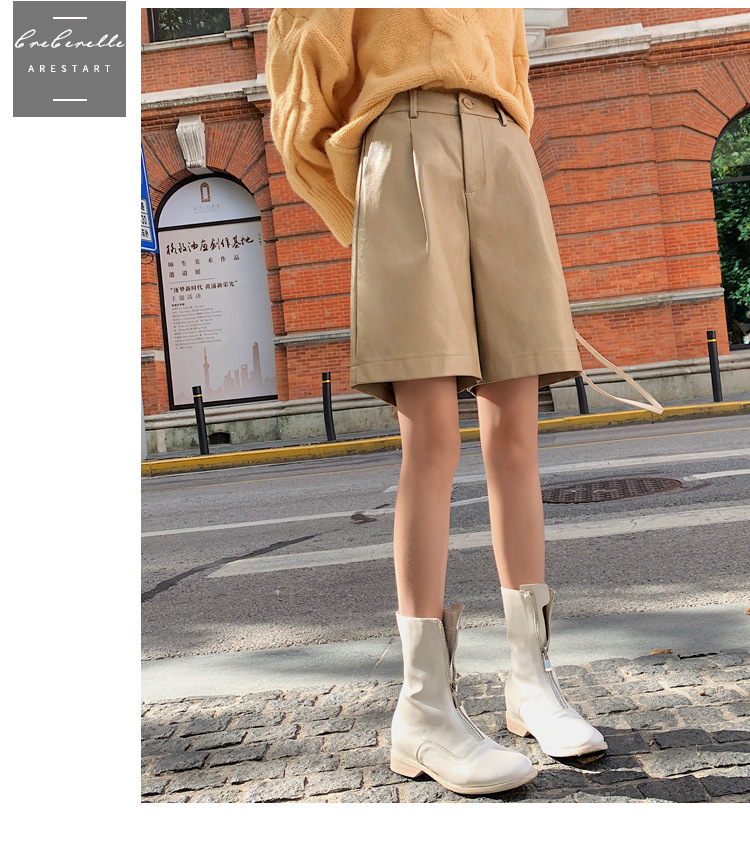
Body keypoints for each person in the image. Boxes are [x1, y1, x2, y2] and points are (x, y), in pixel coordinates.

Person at [267, 8, 662, 796]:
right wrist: (369, 211)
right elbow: (300, 95)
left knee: (517, 434)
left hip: (504, 148)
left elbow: (512, 70)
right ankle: (422, 708)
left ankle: (531, 682)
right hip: (400, 147)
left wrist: (500, 148)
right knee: (432, 438)